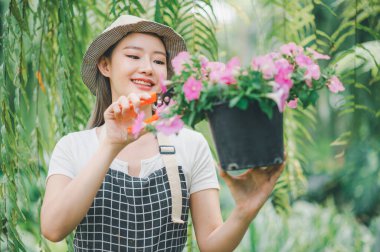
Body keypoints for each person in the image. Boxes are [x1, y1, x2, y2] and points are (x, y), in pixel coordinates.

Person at [40, 15, 284, 251]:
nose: (147, 68)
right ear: (105, 65)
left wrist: (244, 211)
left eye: (158, 61)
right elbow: (53, 228)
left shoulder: (190, 144)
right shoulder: (73, 147)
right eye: (134, 56)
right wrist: (111, 145)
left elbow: (211, 245)